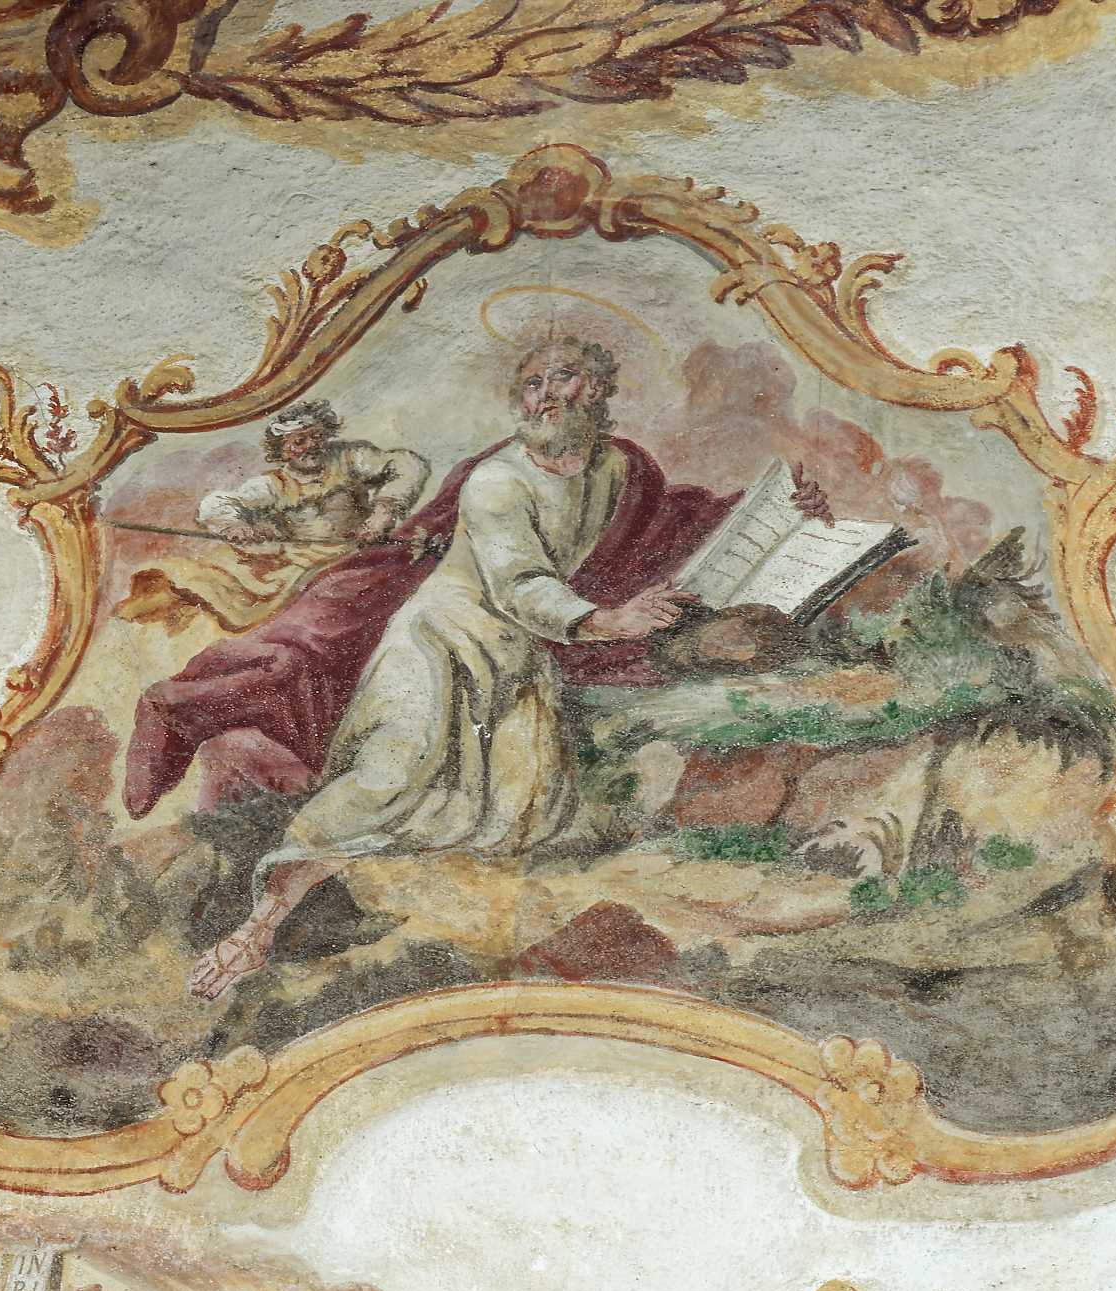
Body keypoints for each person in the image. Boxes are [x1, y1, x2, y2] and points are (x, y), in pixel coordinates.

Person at [183, 338, 831, 999]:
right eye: (531, 383)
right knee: (390, 777)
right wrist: (608, 621)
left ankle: (434, 949)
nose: (545, 395)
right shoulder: (496, 482)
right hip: (440, 646)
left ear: (597, 388)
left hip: (519, 659)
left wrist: (779, 511)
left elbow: (670, 525)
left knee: (525, 812)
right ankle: (257, 929)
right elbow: (521, 584)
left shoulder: (620, 467)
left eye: (563, 377)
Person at [113, 400, 429, 633]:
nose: (311, 446)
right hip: (300, 565)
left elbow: (407, 464)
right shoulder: (274, 484)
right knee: (213, 585)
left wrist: (384, 511)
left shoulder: (350, 457)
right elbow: (217, 504)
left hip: (356, 551)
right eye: (299, 442)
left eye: (316, 436)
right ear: (283, 450)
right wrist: (237, 525)